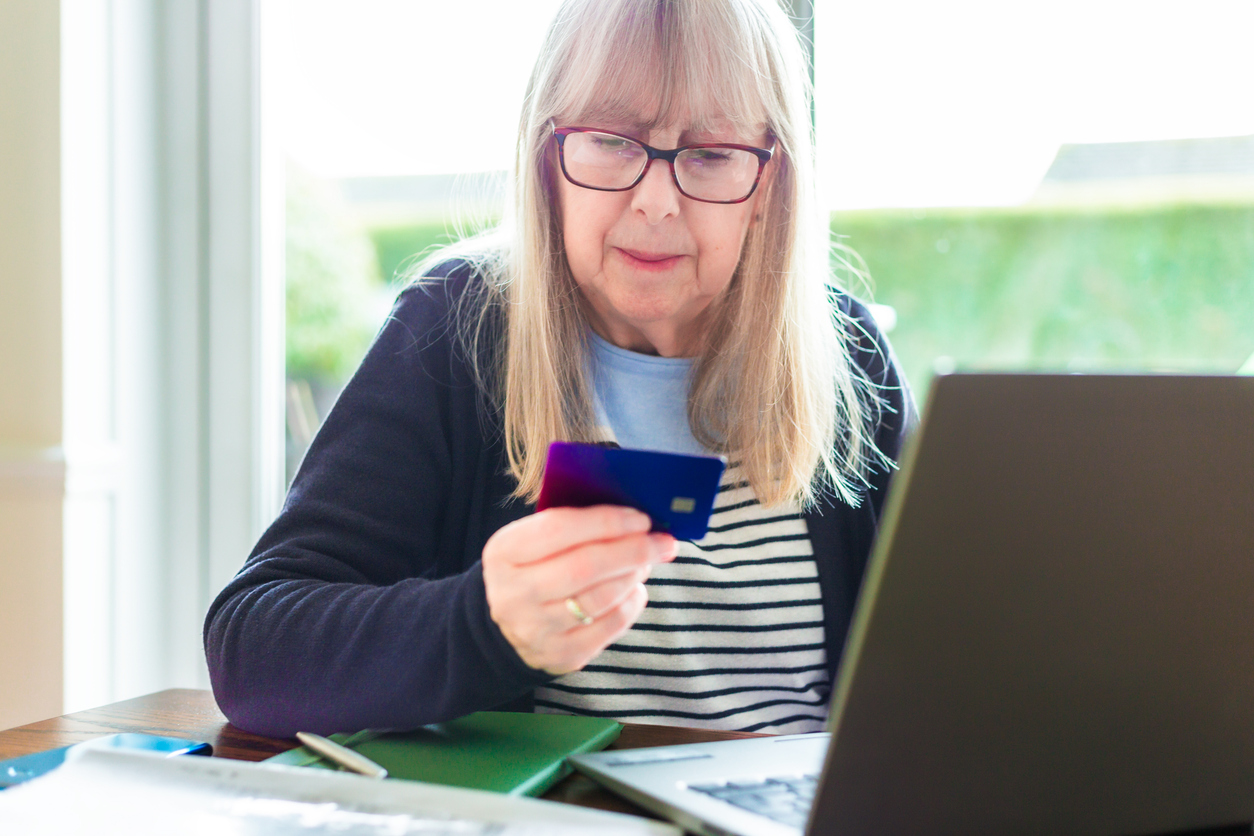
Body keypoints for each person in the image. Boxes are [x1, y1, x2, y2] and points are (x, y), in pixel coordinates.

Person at [204, 0, 915, 739]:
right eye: (612, 142)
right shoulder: (459, 331)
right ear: (549, 160)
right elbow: (253, 653)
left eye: (710, 154)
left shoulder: (850, 358)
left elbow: (946, 671)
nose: (657, 201)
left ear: (768, 185)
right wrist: (483, 623)